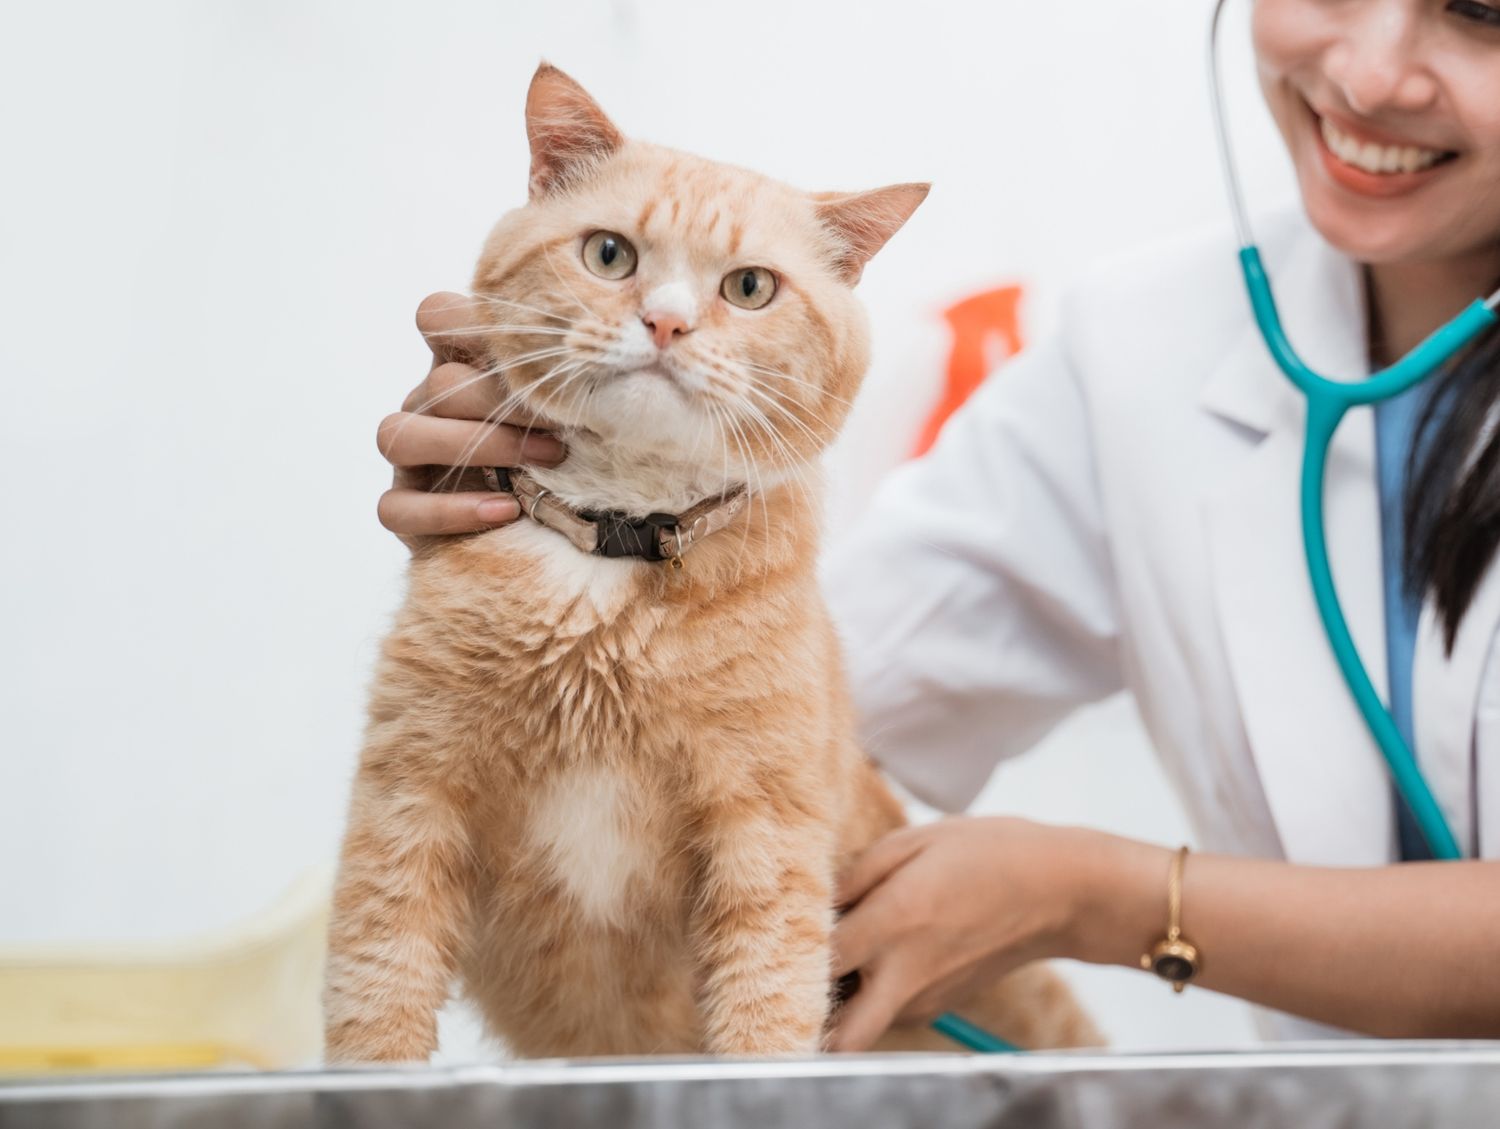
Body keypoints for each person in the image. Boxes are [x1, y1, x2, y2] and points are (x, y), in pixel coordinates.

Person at [375, 0, 1500, 1049]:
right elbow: (809, 708)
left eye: (1481, 12)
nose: (1365, 73)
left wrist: (1102, 897)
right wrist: (572, 524)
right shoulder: (1142, 343)